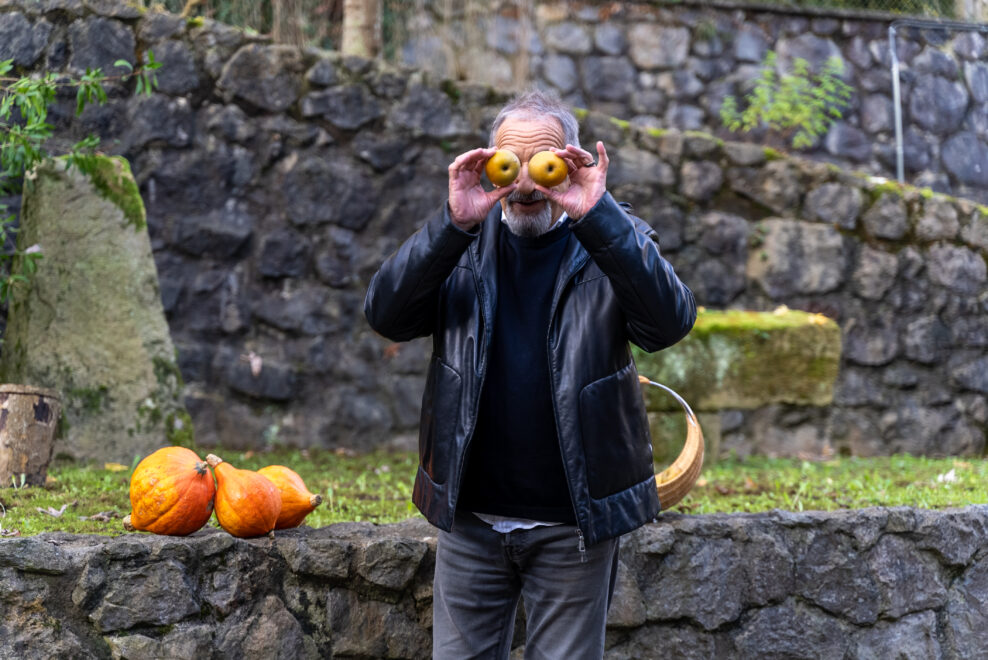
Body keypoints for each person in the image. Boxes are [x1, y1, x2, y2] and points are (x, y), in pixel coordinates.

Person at [364, 89, 696, 659]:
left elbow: (667, 325)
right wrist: (451, 222)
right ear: (491, 160)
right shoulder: (461, 240)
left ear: (568, 161)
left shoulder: (612, 238)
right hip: (469, 521)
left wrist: (599, 214)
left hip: (574, 527)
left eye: (541, 164)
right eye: (510, 164)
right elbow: (386, 315)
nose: (524, 185)